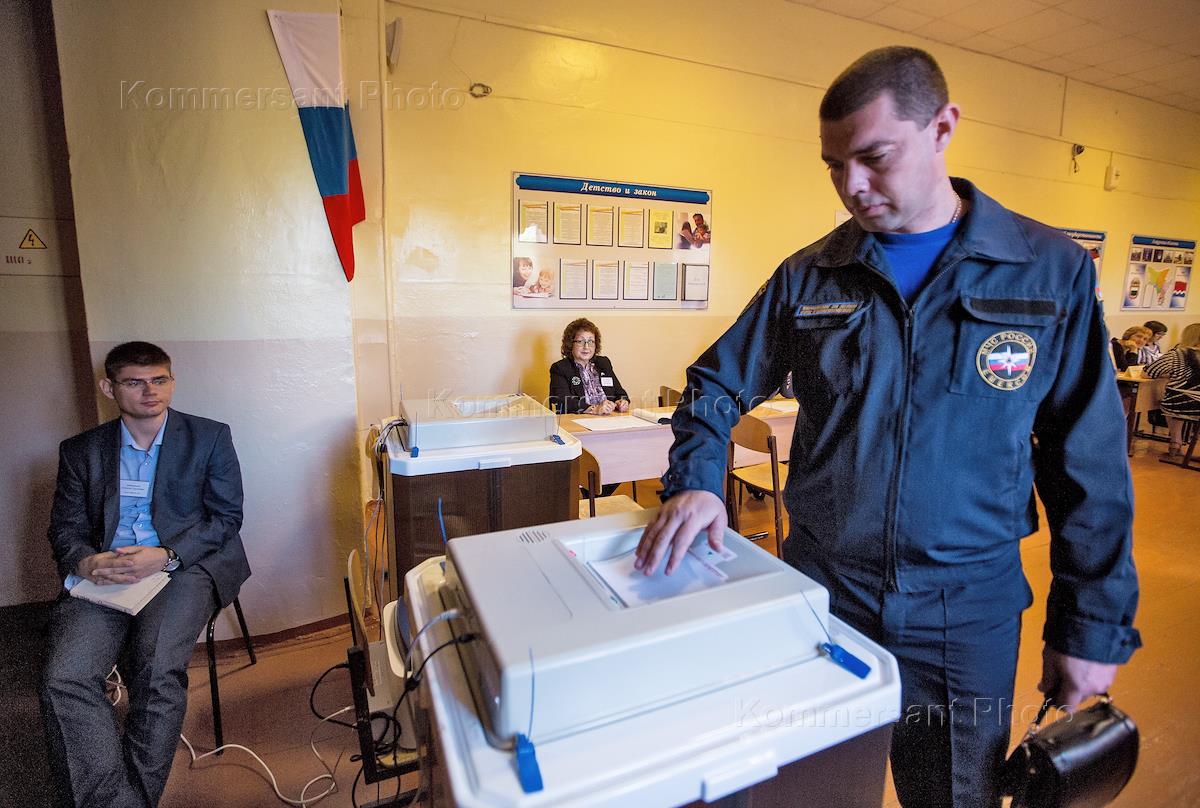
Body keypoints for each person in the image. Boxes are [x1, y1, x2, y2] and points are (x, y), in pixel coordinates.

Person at [635, 47, 1140, 808]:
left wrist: (1091, 627)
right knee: (809, 789)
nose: (853, 187)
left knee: (952, 794)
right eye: (834, 166)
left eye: (874, 158)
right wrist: (697, 483)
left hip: (962, 611)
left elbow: (1088, 462)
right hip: (824, 591)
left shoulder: (1046, 271)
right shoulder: (810, 276)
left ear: (943, 128)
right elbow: (713, 384)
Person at [41, 341, 250, 808]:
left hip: (183, 567)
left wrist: (167, 555)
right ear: (109, 388)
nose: (150, 391)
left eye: (159, 380)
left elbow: (226, 518)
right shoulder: (81, 450)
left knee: (155, 672)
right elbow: (65, 527)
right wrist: (85, 561)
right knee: (64, 676)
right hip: (107, 571)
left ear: (171, 382)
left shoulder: (209, 436)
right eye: (135, 382)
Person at [548, 318, 630, 416]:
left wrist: (622, 402)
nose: (586, 347)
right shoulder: (560, 368)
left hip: (609, 418)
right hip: (579, 420)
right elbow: (562, 401)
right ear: (570, 344)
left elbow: (620, 393)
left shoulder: (603, 363)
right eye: (580, 341)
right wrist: (594, 409)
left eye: (591, 341)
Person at [1144, 339, 1200, 459]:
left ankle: (1175, 443)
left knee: (1176, 401)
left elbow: (1148, 372)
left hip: (1181, 403)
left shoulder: (1179, 353)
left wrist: (1170, 374)